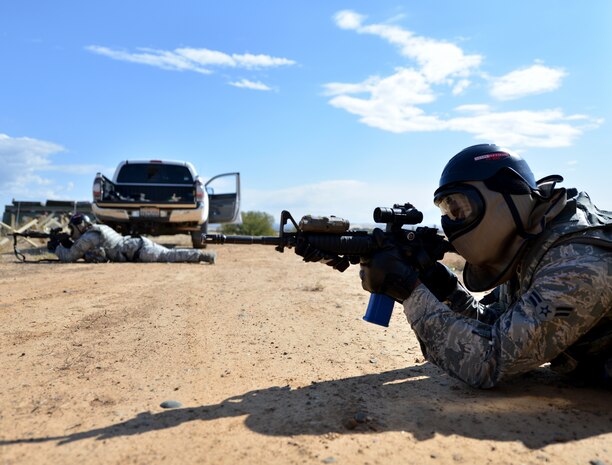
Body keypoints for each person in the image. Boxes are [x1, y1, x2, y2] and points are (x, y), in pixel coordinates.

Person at [303, 143, 612, 388]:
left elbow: (490, 360)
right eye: (446, 210)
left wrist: (410, 291)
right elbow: (497, 324)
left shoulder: (575, 263)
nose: (451, 223)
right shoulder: (533, 244)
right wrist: (437, 282)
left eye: (460, 208)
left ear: (504, 199)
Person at [49, 213, 216, 264]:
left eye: (72, 229)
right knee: (170, 253)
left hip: (140, 251)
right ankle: (201, 256)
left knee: (170, 256)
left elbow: (70, 256)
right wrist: (66, 242)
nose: (71, 232)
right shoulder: (98, 229)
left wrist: (56, 247)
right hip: (138, 245)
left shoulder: (89, 236)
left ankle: (202, 256)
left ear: (79, 227)